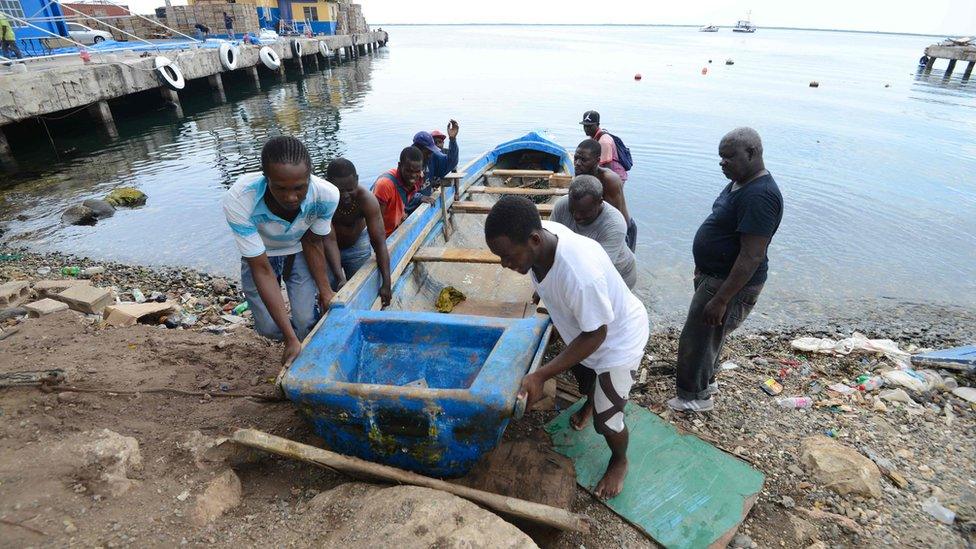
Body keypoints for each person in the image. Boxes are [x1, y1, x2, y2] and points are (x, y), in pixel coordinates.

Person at [485, 196, 649, 500]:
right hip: (584, 330)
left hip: (617, 341)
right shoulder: (540, 237)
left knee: (606, 422)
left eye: (507, 257)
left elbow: (596, 335)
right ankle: (590, 398)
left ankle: (619, 459)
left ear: (534, 240)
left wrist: (540, 375)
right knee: (586, 381)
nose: (504, 264)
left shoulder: (580, 274)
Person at [668, 127, 783, 412]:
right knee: (708, 335)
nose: (722, 163)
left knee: (696, 337)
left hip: (728, 284)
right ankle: (705, 382)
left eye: (729, 157)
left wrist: (720, 299)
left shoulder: (761, 196)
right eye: (720, 158)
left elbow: (752, 255)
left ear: (752, 153)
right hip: (714, 277)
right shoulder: (740, 182)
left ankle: (694, 398)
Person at [222, 136, 341, 367]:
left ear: (310, 177)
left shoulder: (326, 196)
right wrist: (289, 338)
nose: (291, 197)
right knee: (267, 328)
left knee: (307, 320)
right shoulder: (239, 199)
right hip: (261, 255)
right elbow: (262, 268)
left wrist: (326, 291)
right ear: (266, 179)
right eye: (280, 188)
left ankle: (307, 361)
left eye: (299, 188)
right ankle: (292, 342)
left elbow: (313, 242)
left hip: (300, 249)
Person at [325, 157, 393, 306]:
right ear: (328, 183)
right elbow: (329, 240)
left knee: (362, 288)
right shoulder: (323, 201)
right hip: (328, 247)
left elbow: (379, 242)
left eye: (350, 189)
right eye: (339, 190)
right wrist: (340, 278)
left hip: (357, 245)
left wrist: (387, 283)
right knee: (330, 292)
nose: (345, 196)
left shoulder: (367, 200)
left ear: (356, 180)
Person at [551, 175, 637, 289]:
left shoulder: (614, 224)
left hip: (618, 275)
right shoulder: (562, 206)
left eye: (583, 212)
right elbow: (551, 242)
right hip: (583, 265)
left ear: (600, 202)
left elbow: (598, 270)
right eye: (572, 209)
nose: (577, 216)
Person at [574, 139, 636, 252]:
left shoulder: (609, 180)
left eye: (583, 160)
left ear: (597, 161)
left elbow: (613, 219)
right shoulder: (580, 175)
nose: (577, 163)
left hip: (623, 230)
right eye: (576, 158)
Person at [406, 121, 460, 214]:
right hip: (408, 210)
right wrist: (419, 197)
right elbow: (403, 191)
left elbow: (450, 163)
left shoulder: (432, 158)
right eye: (428, 151)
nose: (431, 153)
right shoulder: (407, 163)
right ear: (419, 149)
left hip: (423, 205)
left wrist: (452, 139)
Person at [373, 146, 425, 237]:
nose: (413, 176)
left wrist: (401, 214)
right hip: (383, 236)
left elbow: (404, 198)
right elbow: (375, 222)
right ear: (399, 166)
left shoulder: (419, 178)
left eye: (417, 171)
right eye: (409, 171)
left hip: (395, 228)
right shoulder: (385, 185)